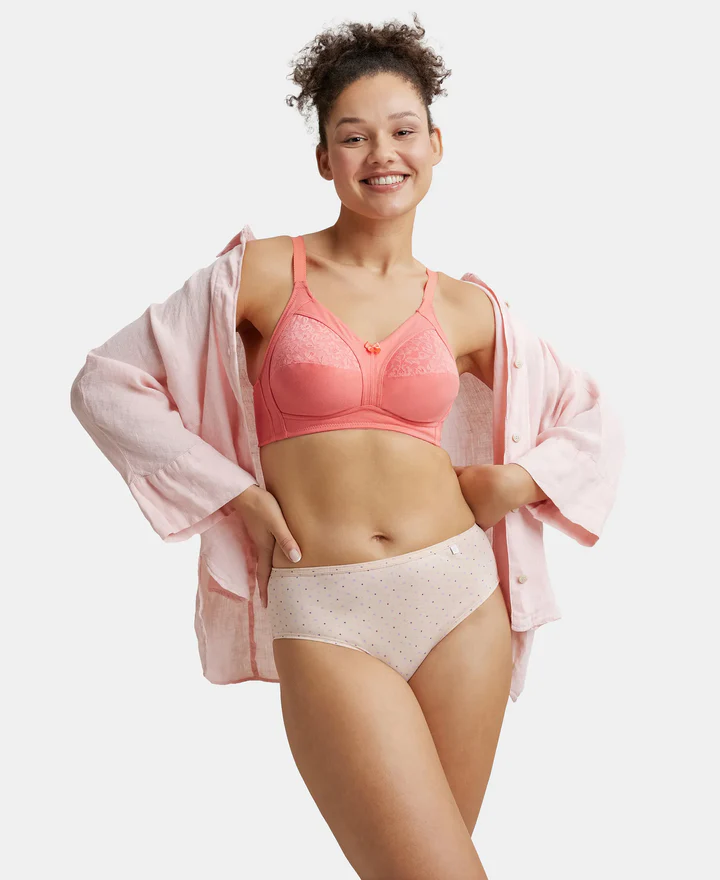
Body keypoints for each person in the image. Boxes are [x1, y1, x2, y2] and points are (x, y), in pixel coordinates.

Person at [70, 14, 624, 880]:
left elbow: (591, 419)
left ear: (436, 145)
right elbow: (107, 384)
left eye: (403, 131)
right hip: (328, 610)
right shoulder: (261, 274)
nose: (382, 154)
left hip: (460, 600)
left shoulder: (466, 306)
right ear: (324, 159)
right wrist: (235, 493)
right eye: (355, 136)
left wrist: (513, 483)